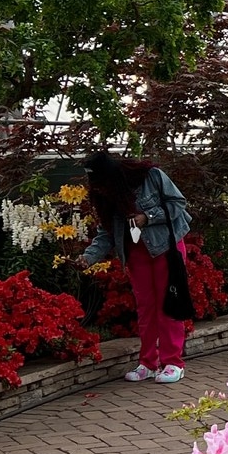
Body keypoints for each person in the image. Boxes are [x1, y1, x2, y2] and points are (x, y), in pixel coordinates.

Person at [80, 151, 194, 383]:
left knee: (168, 305)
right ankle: (148, 363)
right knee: (146, 308)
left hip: (165, 248)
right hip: (136, 253)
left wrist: (148, 216)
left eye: (101, 182)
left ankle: (173, 363)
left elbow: (178, 204)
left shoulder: (151, 176)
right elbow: (107, 232)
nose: (98, 188)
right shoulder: (106, 195)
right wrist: (88, 257)